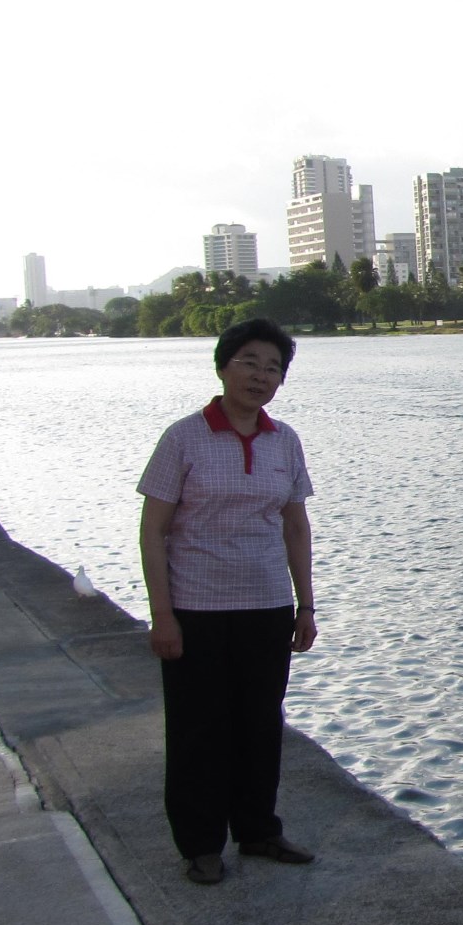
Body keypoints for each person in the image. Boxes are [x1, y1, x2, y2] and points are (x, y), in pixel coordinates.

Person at [137, 318, 318, 887]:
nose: (261, 376)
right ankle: (200, 844)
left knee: (261, 723)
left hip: (266, 606)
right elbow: (153, 531)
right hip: (196, 608)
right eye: (250, 362)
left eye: (273, 368)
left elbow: (295, 526)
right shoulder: (184, 438)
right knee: (198, 729)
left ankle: (259, 830)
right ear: (223, 366)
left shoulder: (284, 440)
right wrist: (162, 614)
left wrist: (305, 606)